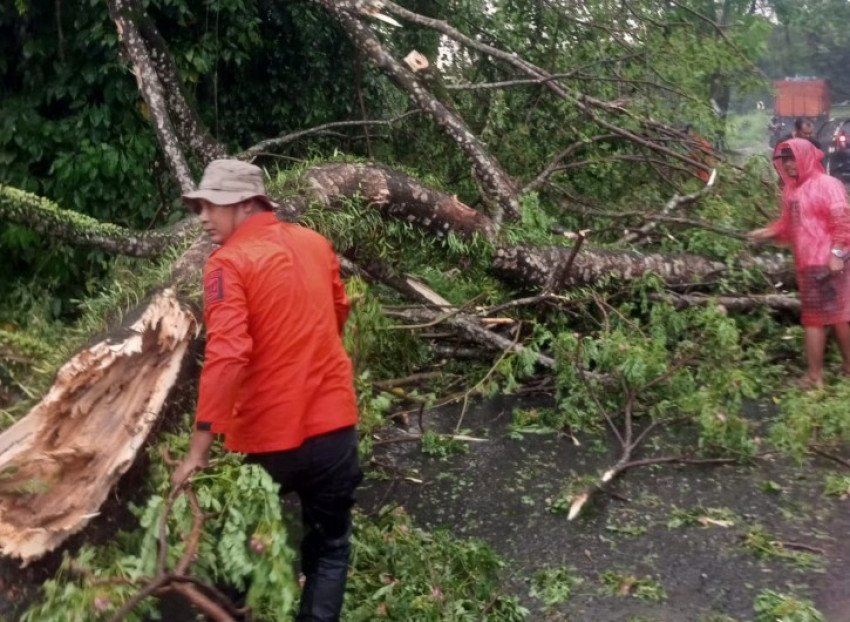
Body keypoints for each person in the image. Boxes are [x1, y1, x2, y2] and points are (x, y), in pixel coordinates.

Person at [172, 159, 361, 621]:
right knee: (330, 550)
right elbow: (338, 311)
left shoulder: (227, 264)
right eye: (199, 207)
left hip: (266, 442)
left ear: (244, 203)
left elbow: (227, 355)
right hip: (335, 433)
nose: (203, 217)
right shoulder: (315, 243)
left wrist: (199, 449)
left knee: (237, 554)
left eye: (211, 205)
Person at [749, 139, 850, 388]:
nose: (788, 164)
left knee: (815, 320)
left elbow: (843, 222)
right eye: (784, 160)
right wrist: (766, 233)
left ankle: (815, 377)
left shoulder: (828, 184)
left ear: (807, 157)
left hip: (827, 262)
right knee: (837, 316)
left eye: (793, 158)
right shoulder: (791, 190)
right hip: (807, 263)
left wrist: (837, 254)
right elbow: (788, 225)